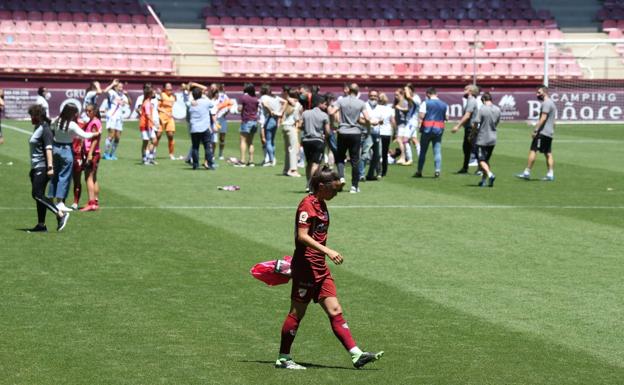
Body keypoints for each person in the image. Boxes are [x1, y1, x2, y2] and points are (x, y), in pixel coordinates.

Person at [275, 166, 383, 370]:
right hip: (306, 267)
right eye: (333, 188)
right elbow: (302, 236)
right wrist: (328, 251)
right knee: (297, 313)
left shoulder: (322, 204)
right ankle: (283, 357)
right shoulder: (307, 205)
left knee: (335, 310)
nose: (336, 192)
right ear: (321, 186)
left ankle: (356, 354)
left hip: (320, 268)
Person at [26, 104, 70, 232]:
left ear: (39, 116)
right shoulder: (38, 127)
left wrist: (50, 167)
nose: (31, 118)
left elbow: (48, 148)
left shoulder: (45, 129)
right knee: (39, 196)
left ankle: (60, 214)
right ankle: (41, 225)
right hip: (36, 167)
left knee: (37, 194)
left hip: (43, 167)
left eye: (32, 115)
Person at [328, 83, 376, 194]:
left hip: (342, 131)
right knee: (355, 160)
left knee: (340, 157)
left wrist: (332, 124)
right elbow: (367, 118)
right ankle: (354, 186)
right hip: (356, 132)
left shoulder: (341, 101)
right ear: (358, 91)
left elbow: (331, 112)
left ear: (348, 90)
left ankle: (341, 177)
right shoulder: (361, 103)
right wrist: (368, 130)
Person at [48, 103, 96, 212]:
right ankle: (60, 202)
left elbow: (51, 129)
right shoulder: (72, 124)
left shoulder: (57, 120)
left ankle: (50, 198)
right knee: (64, 176)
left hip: (55, 148)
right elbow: (84, 135)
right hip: (66, 149)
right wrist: (94, 133)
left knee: (55, 176)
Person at [516, 85, 557, 181]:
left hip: (542, 132)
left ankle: (527, 172)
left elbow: (543, 118)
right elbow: (554, 121)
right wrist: (552, 131)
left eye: (539, 92)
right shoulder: (552, 103)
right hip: (549, 132)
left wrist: (535, 130)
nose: (537, 94)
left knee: (533, 150)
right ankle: (550, 174)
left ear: (545, 92)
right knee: (548, 153)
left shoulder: (546, 103)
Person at [414, 87, 449, 178]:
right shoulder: (444, 104)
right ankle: (437, 170)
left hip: (427, 129)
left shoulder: (425, 103)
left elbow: (421, 116)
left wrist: (419, 126)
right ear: (436, 94)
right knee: (437, 151)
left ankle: (419, 171)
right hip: (439, 129)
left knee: (423, 151)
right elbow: (447, 118)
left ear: (428, 94)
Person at [301, 95, 330, 190]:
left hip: (306, 140)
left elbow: (301, 125)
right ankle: (312, 185)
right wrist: (326, 137)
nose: (326, 106)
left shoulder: (305, 113)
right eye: (325, 104)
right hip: (317, 140)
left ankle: (307, 183)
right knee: (315, 164)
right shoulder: (324, 115)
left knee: (308, 163)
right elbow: (328, 131)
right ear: (320, 104)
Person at [473, 92, 501, 187]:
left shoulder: (482, 109)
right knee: (486, 160)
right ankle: (483, 181)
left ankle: (490, 174)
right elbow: (497, 122)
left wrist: (473, 133)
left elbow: (476, 123)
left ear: (483, 100)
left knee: (481, 160)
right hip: (493, 137)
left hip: (482, 137)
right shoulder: (497, 109)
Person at [451, 84, 480, 174]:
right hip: (469, 128)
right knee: (466, 148)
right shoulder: (469, 100)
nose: (464, 90)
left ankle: (481, 168)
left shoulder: (471, 101)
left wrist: (457, 126)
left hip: (471, 128)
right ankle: (465, 167)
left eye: (466, 89)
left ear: (471, 91)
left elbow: (467, 116)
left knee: (474, 148)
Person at [80, 104, 103, 211]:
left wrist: (89, 154)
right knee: (93, 178)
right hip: (95, 153)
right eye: (86, 111)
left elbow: (94, 139)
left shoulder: (94, 122)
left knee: (88, 177)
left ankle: (91, 203)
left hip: (92, 153)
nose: (87, 113)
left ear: (94, 111)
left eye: (89, 111)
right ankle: (95, 201)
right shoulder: (94, 121)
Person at [187, 86, 216, 170]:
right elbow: (212, 104)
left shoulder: (191, 103)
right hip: (205, 127)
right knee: (207, 146)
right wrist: (203, 95)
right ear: (201, 94)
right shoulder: (205, 102)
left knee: (195, 147)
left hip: (194, 128)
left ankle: (195, 165)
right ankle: (209, 164)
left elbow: (188, 103)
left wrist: (193, 99)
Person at [259, 84, 286, 167]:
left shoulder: (264, 97)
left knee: (268, 140)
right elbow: (285, 102)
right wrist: (281, 112)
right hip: (275, 119)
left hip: (269, 119)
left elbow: (265, 104)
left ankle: (271, 159)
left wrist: (270, 111)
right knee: (272, 141)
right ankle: (272, 158)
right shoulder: (275, 97)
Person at [103, 80, 129, 160]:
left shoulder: (123, 95)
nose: (121, 88)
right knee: (111, 135)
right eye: (119, 87)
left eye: (122, 87)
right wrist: (112, 84)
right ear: (115, 87)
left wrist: (127, 95)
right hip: (112, 116)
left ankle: (112, 154)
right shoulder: (112, 93)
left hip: (120, 118)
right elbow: (105, 91)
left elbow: (129, 103)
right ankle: (106, 153)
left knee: (117, 137)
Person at [281, 88, 303, 177]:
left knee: (288, 149)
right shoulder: (297, 105)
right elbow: (297, 118)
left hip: (285, 126)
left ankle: (286, 169)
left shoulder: (287, 103)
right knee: (293, 149)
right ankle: (293, 170)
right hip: (291, 127)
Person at [236, 83, 259, 167]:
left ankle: (242, 161)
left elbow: (239, 109)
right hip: (254, 120)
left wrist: (237, 109)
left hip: (246, 120)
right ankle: (251, 161)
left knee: (243, 140)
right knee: (250, 142)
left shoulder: (243, 97)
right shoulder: (256, 98)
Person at [403, 83, 422, 165]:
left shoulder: (416, 98)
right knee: (414, 140)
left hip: (412, 122)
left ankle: (410, 159)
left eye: (406, 90)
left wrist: (406, 90)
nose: (404, 91)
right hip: (410, 121)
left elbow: (408, 97)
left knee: (405, 140)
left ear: (411, 90)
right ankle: (421, 157)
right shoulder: (411, 99)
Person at [377, 93, 396, 177]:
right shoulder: (390, 109)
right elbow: (393, 122)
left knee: (377, 153)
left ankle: (378, 170)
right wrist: (395, 132)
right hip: (387, 133)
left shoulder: (376, 108)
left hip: (378, 132)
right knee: (385, 153)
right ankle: (384, 171)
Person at [158, 82, 177, 160]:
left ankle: (171, 154)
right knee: (158, 136)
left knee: (171, 136)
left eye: (171, 86)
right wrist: (164, 112)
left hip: (170, 118)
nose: (170, 88)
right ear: (164, 89)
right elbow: (157, 107)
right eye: (168, 87)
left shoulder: (173, 97)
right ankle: (152, 151)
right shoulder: (161, 95)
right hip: (161, 118)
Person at [139, 87, 157, 165]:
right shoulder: (146, 103)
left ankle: (150, 158)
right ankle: (144, 158)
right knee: (145, 142)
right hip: (144, 124)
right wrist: (154, 122)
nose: (154, 93)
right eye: (153, 92)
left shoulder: (149, 102)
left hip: (149, 125)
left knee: (154, 140)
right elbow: (147, 115)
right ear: (149, 94)